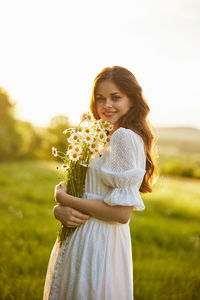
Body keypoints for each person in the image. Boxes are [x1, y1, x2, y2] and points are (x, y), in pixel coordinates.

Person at [43, 66, 157, 300]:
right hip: (85, 235)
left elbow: (122, 214)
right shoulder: (103, 137)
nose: (107, 105)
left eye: (116, 98)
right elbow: (88, 191)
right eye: (100, 99)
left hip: (99, 240)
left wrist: (64, 199)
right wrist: (60, 210)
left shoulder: (124, 137)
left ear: (132, 100)